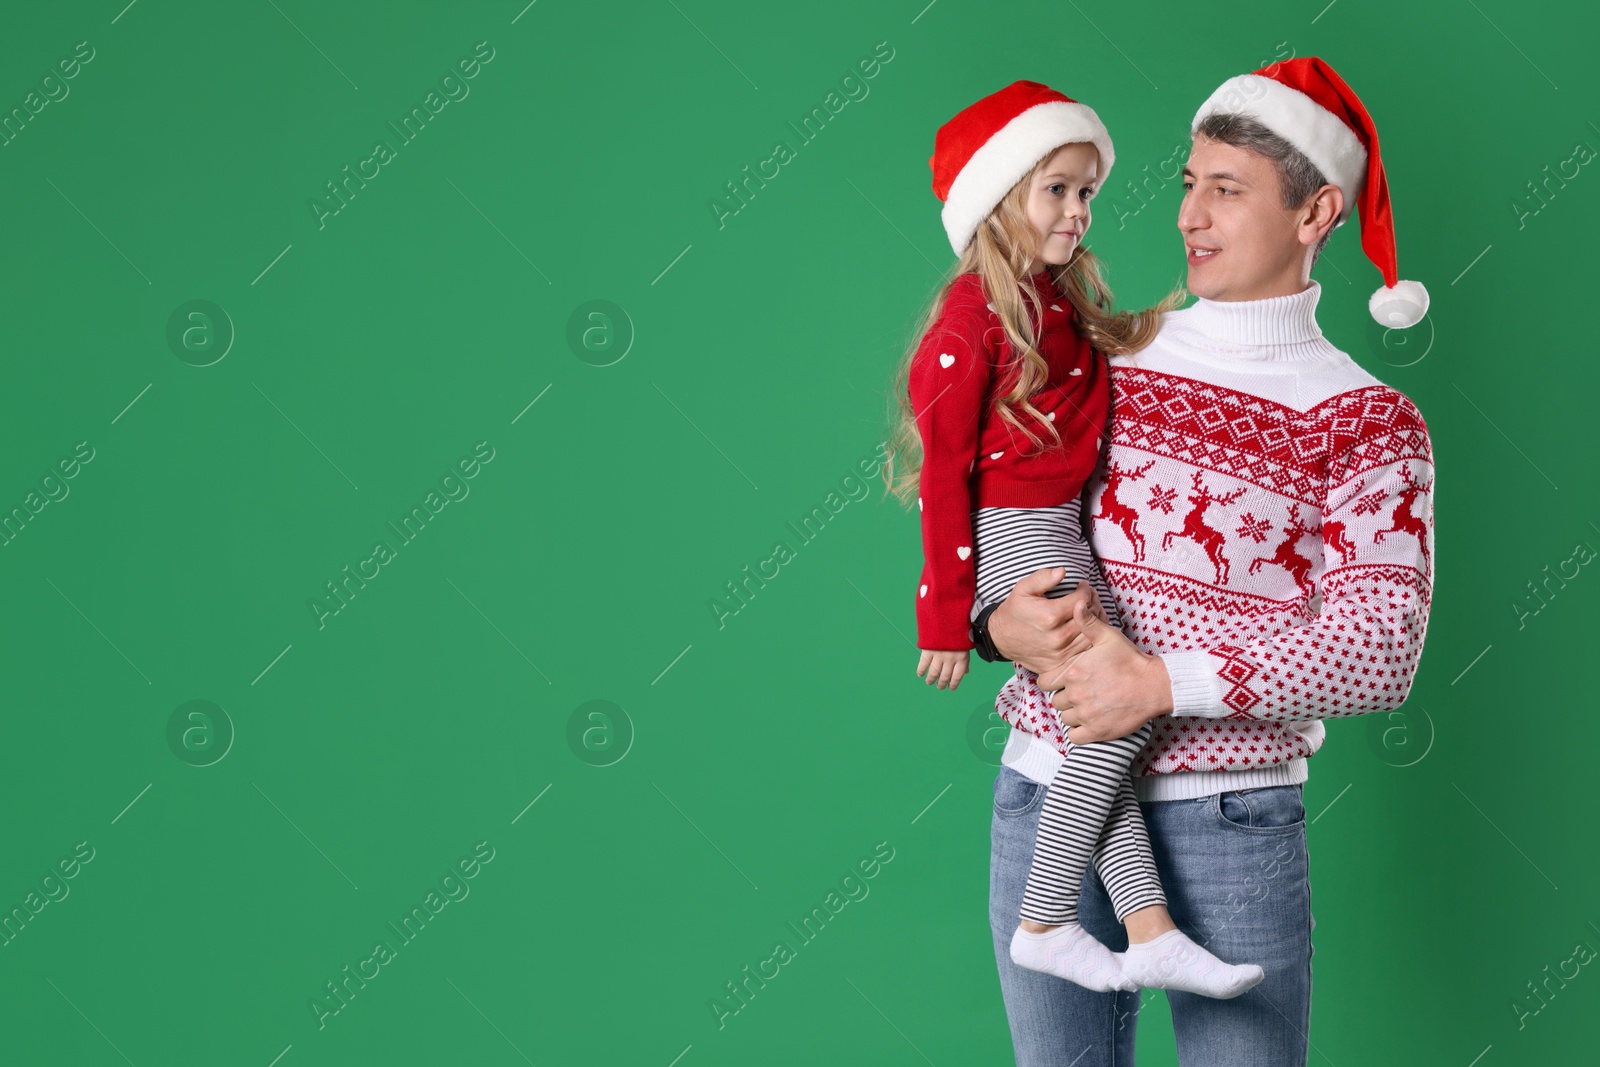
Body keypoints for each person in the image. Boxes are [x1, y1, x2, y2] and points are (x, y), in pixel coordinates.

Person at [976, 58, 1436, 1066]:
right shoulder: (1111, 354)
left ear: (1315, 211)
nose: (1190, 213)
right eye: (1189, 182)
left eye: (1225, 189)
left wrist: (1159, 682)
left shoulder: (1365, 422)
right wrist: (993, 620)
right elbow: (1010, 506)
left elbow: (1379, 646)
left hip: (1225, 823)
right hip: (1049, 788)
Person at [885, 80, 1264, 1000]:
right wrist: (946, 616)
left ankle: (1148, 928)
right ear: (999, 195)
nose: (1077, 209)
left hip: (1062, 528)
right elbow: (943, 479)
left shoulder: (1052, 296)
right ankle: (1047, 918)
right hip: (1018, 536)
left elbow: (1106, 364)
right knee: (1109, 716)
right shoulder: (970, 321)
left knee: (1097, 727)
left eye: (1086, 190)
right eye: (1055, 188)